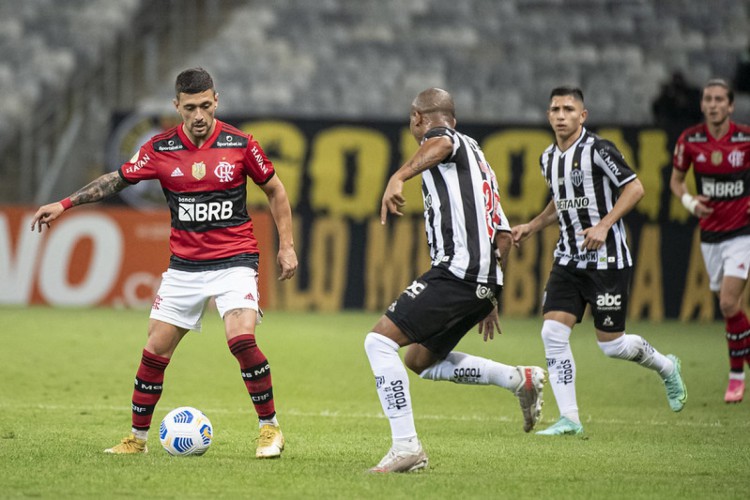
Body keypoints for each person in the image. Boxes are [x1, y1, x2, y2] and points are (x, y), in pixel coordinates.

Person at [30, 68, 297, 457]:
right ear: (177, 107)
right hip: (184, 267)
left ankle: (270, 429)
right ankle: (136, 440)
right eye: (191, 108)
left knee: (241, 338)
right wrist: (65, 204)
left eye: (206, 105)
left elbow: (275, 190)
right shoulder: (160, 148)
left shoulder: (241, 144)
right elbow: (115, 180)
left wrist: (286, 246)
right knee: (155, 350)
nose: (200, 115)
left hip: (234, 259)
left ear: (216, 101)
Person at [366, 88, 546, 473]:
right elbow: (503, 232)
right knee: (419, 360)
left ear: (418, 118)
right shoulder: (478, 158)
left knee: (379, 342)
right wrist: (490, 294)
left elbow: (441, 141)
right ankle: (517, 378)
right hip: (481, 279)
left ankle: (406, 447)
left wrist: (398, 175)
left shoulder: (443, 140)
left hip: (458, 272)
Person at [512, 86, 687, 436]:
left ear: (583, 115)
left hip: (607, 259)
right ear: (548, 115)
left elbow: (635, 188)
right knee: (552, 332)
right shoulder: (547, 158)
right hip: (568, 259)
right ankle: (570, 420)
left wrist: (604, 225)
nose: (561, 115)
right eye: (555, 109)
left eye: (568, 109)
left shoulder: (598, 149)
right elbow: (560, 201)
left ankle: (667, 367)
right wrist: (532, 225)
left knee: (612, 345)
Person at [670, 78, 750, 403]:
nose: (713, 104)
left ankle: (735, 377)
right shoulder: (690, 140)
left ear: (730, 106)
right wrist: (691, 203)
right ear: (702, 104)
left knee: (728, 303)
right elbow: (676, 181)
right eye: (708, 99)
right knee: (730, 309)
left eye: (720, 99)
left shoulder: (745, 139)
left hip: (742, 232)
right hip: (711, 235)